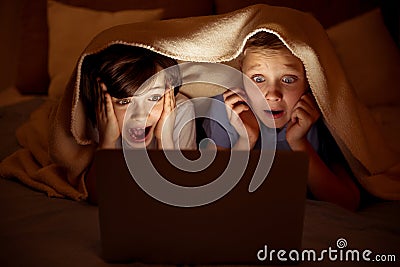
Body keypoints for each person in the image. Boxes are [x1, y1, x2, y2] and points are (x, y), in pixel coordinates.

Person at [202, 32, 360, 211]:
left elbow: (348, 203)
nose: (273, 94)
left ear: (309, 78)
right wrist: (247, 140)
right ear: (242, 73)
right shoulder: (227, 108)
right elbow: (209, 192)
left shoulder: (319, 115)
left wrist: (299, 143)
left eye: (288, 79)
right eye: (258, 79)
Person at [80, 44, 196, 203]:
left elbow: (177, 192)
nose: (141, 115)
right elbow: (98, 197)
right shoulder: (102, 115)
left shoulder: (181, 111)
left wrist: (165, 138)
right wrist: (107, 142)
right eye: (124, 101)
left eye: (154, 98)